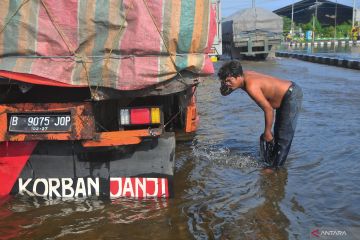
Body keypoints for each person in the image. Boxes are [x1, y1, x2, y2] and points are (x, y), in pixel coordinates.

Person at [218, 60, 303, 168]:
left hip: (291, 95)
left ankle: (274, 170)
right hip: (287, 94)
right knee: (276, 135)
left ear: (237, 76)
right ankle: (272, 165)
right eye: (225, 81)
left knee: (283, 138)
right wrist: (225, 86)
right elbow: (225, 93)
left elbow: (268, 109)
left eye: (229, 81)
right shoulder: (244, 76)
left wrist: (267, 132)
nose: (227, 84)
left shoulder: (251, 86)